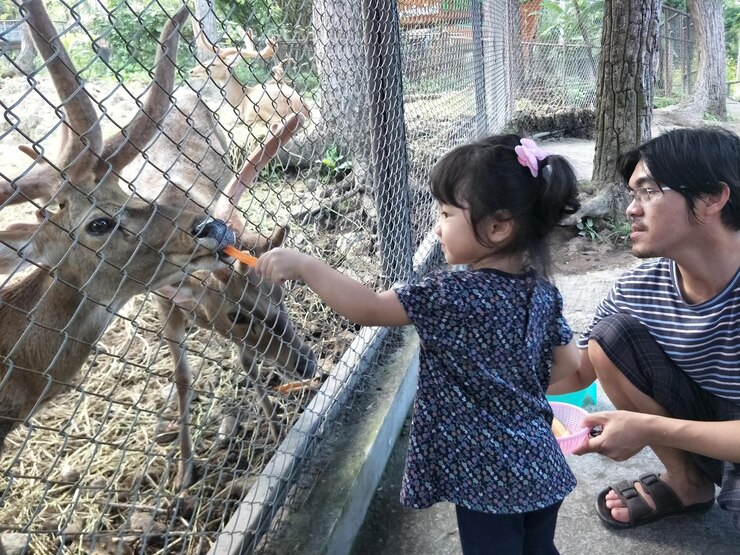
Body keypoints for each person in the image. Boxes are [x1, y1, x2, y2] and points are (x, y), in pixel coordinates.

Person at [257, 134, 582, 554]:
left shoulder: (450, 294)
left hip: (488, 478)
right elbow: (568, 364)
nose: (437, 225)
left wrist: (306, 266)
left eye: (446, 213)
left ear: (498, 227)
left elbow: (370, 309)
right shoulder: (543, 292)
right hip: (539, 461)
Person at [549, 126, 740, 530]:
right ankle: (688, 482)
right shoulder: (640, 287)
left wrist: (646, 427)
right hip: (704, 421)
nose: (631, 210)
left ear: (712, 197)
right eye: (633, 195)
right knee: (610, 337)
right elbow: (580, 370)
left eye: (649, 192)